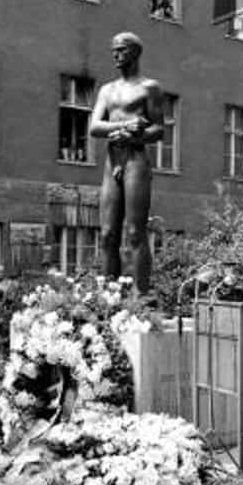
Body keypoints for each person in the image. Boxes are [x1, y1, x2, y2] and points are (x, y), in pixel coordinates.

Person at [89, 32, 164, 294]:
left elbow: (159, 130)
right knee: (108, 234)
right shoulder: (107, 90)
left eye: (121, 50)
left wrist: (136, 134)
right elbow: (95, 127)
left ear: (135, 52)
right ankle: (108, 299)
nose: (116, 55)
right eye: (114, 50)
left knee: (135, 232)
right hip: (113, 161)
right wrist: (125, 125)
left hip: (136, 161)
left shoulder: (149, 87)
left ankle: (140, 299)